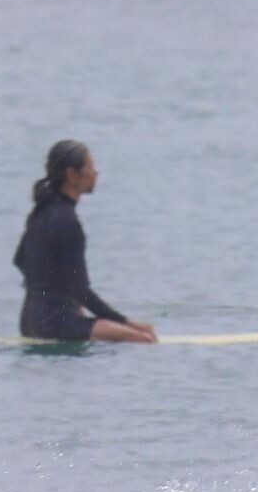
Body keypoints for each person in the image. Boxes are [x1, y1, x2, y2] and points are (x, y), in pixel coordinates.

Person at [12, 141, 157, 344]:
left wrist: (60, 299)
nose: (96, 173)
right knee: (144, 339)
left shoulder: (40, 212)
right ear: (72, 175)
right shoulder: (67, 221)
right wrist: (127, 322)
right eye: (90, 166)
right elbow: (80, 290)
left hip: (29, 322)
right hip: (57, 325)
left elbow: (20, 261)